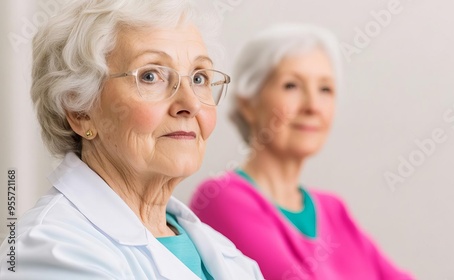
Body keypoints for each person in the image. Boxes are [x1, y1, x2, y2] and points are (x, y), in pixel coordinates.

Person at [0, 1, 265, 279]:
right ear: (80, 112)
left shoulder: (223, 253)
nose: (190, 104)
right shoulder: (50, 251)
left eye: (199, 78)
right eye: (151, 76)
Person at [190, 23, 413, 280]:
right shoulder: (221, 198)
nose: (313, 106)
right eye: (291, 86)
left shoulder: (333, 209)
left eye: (325, 89)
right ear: (248, 103)